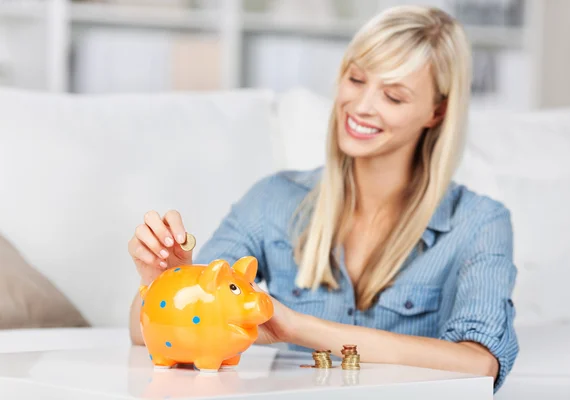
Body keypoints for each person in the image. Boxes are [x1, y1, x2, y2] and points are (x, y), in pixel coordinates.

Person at [127, 5, 518, 393]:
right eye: (356, 79)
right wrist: (164, 283)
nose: (361, 106)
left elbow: (480, 362)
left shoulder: (478, 222)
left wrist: (296, 326)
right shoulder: (273, 200)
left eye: (393, 97)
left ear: (437, 111)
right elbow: (143, 332)